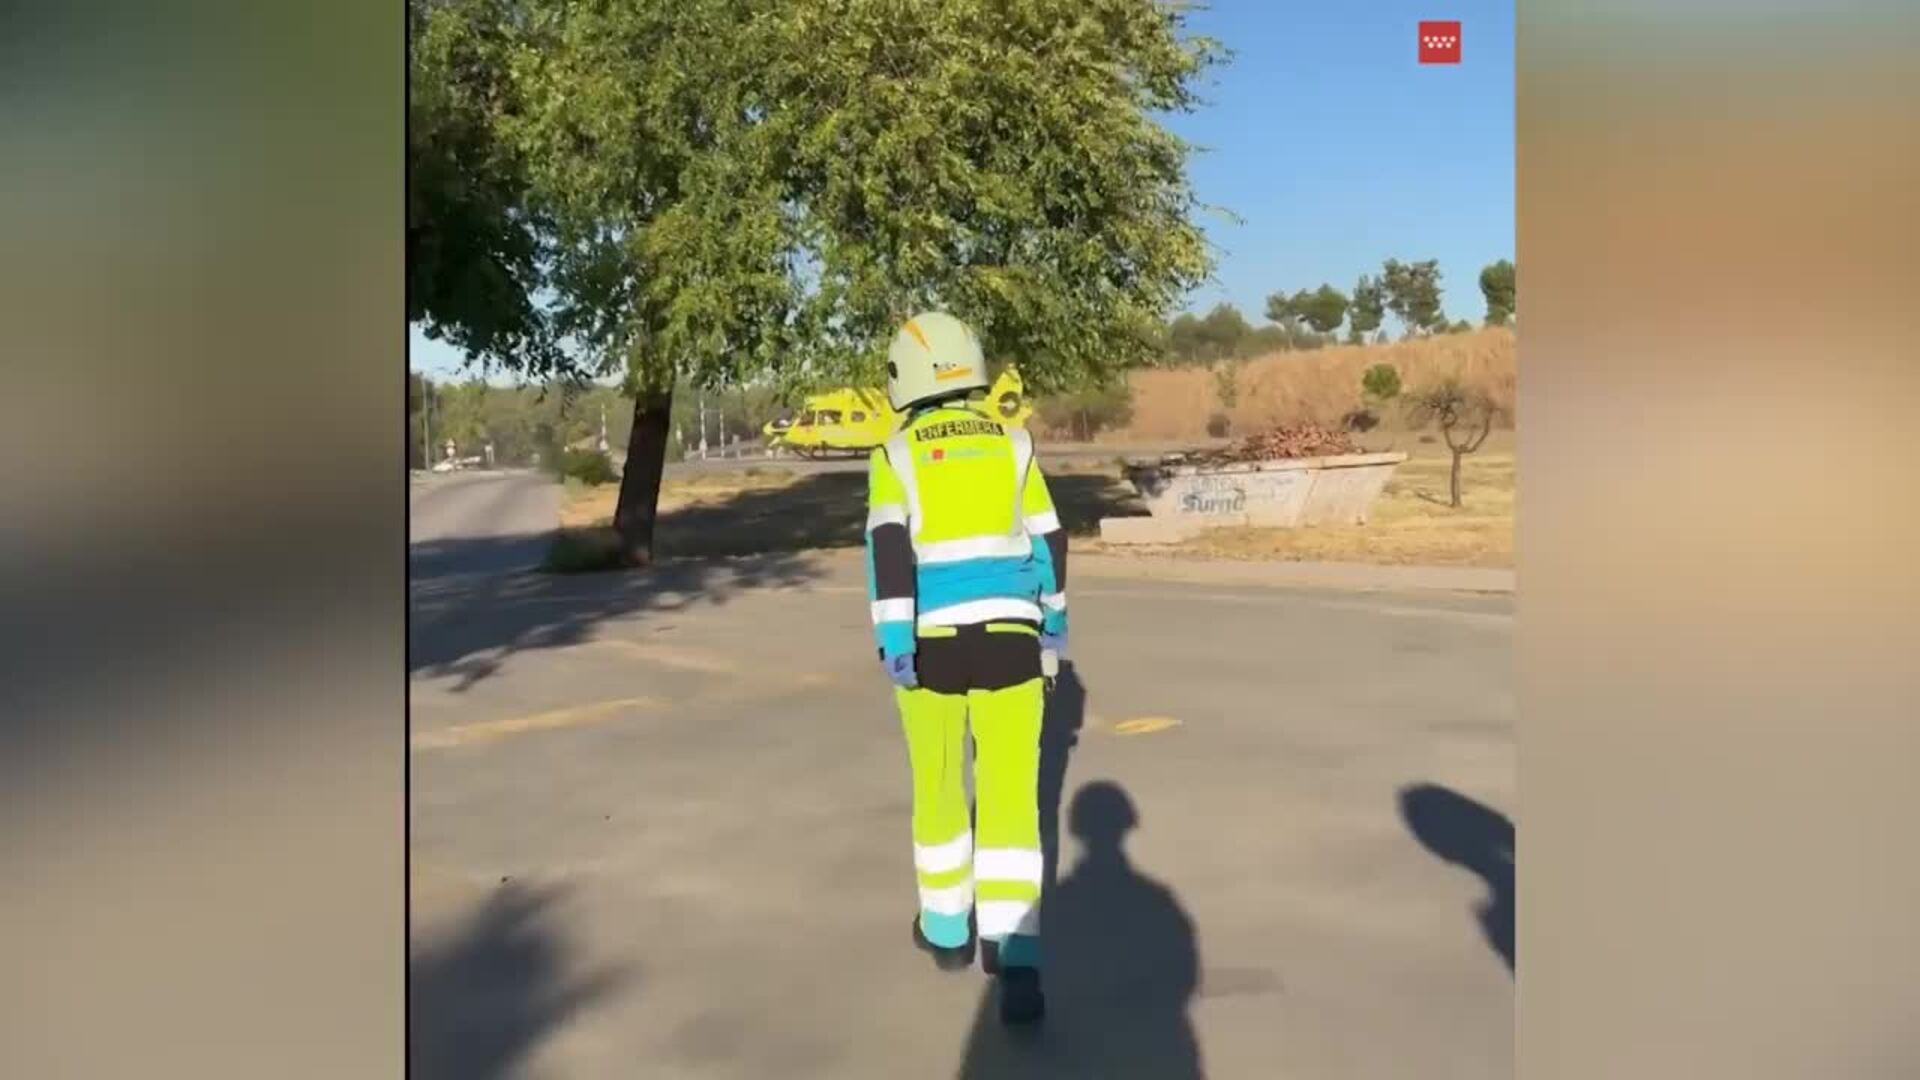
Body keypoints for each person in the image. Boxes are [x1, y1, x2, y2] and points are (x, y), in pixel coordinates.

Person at [864, 311, 1069, 1025]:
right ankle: (1017, 957)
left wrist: (895, 639)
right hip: (1012, 638)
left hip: (932, 643)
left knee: (939, 784)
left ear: (906, 376)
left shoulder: (895, 454)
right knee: (1012, 798)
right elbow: (1049, 538)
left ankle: (947, 930)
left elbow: (889, 552)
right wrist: (1053, 620)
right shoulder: (1014, 443)